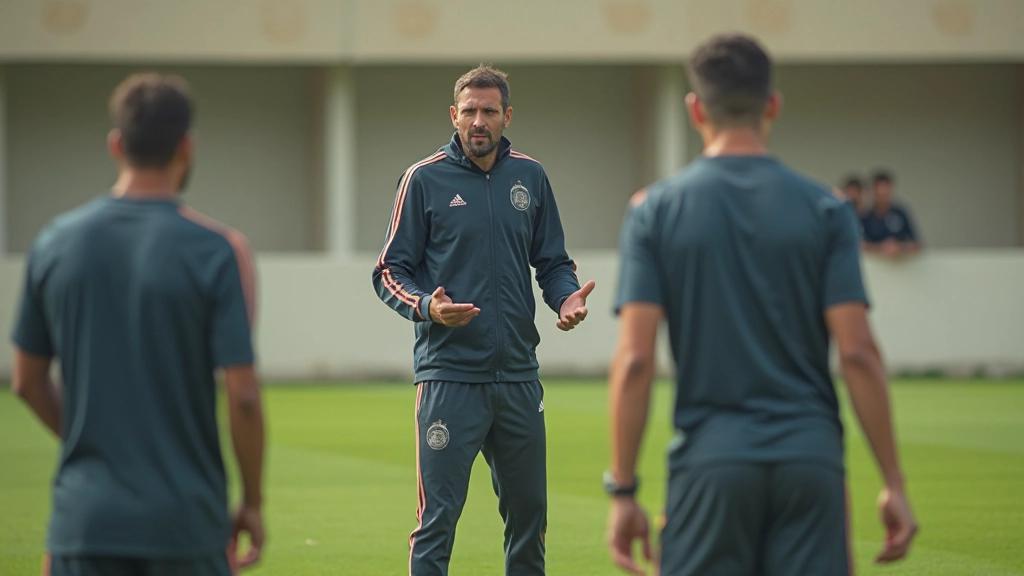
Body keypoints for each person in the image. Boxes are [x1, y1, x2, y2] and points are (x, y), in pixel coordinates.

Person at [604, 35, 918, 576]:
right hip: (811, 462)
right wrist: (892, 482)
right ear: (773, 104)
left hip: (710, 463)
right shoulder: (827, 209)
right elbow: (859, 352)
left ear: (695, 108)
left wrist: (624, 489)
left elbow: (635, 361)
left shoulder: (653, 211)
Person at [10, 73, 266, 576]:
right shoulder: (219, 250)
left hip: (83, 522)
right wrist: (252, 502)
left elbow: (26, 382)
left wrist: (99, 442)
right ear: (186, 147)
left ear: (116, 144)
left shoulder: (54, 242)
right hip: (185, 525)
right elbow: (244, 397)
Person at [372, 65, 596, 576]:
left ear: (506, 116)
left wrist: (565, 301)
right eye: (469, 111)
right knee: (438, 520)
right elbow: (389, 270)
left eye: (489, 111)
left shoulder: (531, 176)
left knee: (530, 517)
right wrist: (429, 307)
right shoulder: (423, 179)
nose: (478, 121)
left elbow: (554, 263)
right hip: (449, 378)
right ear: (454, 116)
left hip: (518, 376)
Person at [861, 170, 922, 258]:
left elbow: (917, 244)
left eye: (886, 195)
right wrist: (881, 248)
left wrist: (900, 247)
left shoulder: (900, 214)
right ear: (873, 193)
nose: (883, 199)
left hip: (900, 268)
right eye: (880, 195)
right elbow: (860, 246)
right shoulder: (865, 217)